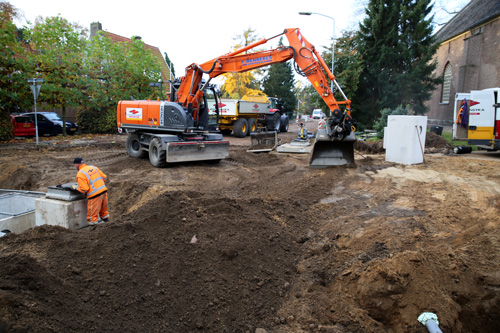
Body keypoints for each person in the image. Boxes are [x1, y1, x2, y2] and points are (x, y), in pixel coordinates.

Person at [72, 157, 109, 226]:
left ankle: (93, 233)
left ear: (77, 164)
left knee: (92, 219)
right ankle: (108, 225)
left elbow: (84, 189)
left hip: (95, 196)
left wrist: (76, 188)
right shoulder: (93, 167)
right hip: (104, 192)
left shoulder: (80, 174)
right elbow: (104, 177)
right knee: (104, 213)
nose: (74, 166)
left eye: (74, 165)